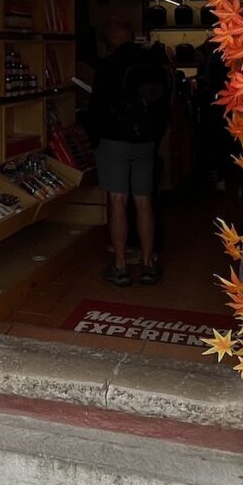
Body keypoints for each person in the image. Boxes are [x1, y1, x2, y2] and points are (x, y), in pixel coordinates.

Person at [87, 15, 170, 286]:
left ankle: (121, 266)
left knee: (118, 200)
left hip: (113, 142)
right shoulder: (154, 63)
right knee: (144, 201)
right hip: (146, 141)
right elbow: (165, 104)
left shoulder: (108, 65)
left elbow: (96, 108)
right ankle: (148, 264)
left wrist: (94, 138)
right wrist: (154, 137)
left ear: (112, 35)